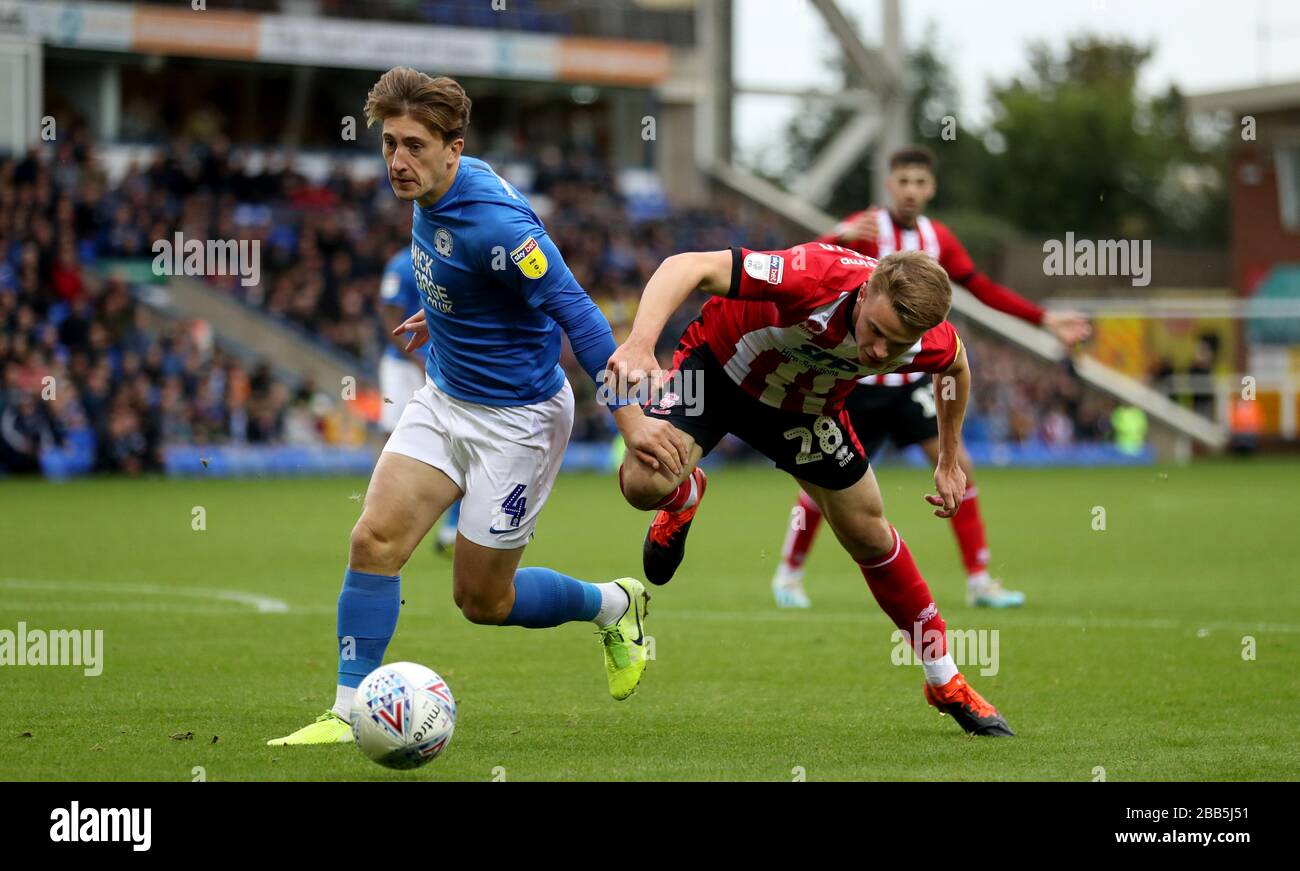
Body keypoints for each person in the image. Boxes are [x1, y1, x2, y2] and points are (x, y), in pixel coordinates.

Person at [269, 69, 687, 746]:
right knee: (373, 541)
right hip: (443, 397)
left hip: (517, 422)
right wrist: (444, 313)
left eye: (412, 146)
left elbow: (577, 312)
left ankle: (616, 603)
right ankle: (348, 710)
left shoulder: (494, 221)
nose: (397, 161)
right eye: (388, 145)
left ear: (453, 148)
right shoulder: (430, 187)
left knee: (483, 601)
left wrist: (633, 422)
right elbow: (473, 276)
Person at [609, 243, 1014, 737]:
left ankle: (944, 679)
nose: (880, 352)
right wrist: (641, 341)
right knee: (642, 483)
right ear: (865, 295)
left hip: (805, 410)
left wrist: (950, 459)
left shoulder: (923, 338)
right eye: (876, 332)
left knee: (869, 535)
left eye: (896, 343)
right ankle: (683, 495)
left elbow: (956, 369)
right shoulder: (811, 278)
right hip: (716, 372)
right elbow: (685, 265)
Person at [772, 145, 1092, 609]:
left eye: (920, 182)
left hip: (911, 383)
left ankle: (980, 580)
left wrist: (1042, 319)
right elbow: (799, 266)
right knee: (825, 484)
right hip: (856, 383)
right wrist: (836, 233)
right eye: (903, 181)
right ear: (889, 185)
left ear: (931, 188)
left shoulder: (936, 237)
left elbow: (980, 289)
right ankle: (789, 574)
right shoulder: (863, 229)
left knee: (958, 465)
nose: (911, 191)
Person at [378, 244, 460, 554]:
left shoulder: (451, 260)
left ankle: (452, 527)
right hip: (403, 365)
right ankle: (387, 511)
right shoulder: (401, 265)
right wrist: (410, 357)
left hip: (442, 364)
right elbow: (390, 316)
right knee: (394, 439)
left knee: (459, 439)